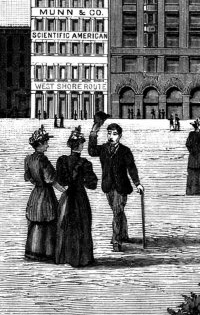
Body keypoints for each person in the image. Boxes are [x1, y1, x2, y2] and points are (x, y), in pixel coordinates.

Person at [88, 111, 143, 252]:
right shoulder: (103, 149)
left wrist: (137, 183)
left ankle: (116, 241)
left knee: (117, 212)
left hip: (121, 186)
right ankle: (123, 234)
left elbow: (131, 168)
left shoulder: (125, 151)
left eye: (114, 134)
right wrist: (94, 132)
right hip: (108, 186)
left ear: (120, 136)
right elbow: (91, 151)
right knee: (117, 211)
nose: (111, 137)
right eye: (109, 133)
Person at [55, 126, 98, 267]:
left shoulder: (61, 160)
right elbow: (92, 184)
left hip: (66, 198)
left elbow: (60, 180)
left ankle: (64, 257)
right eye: (82, 144)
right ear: (80, 145)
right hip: (79, 198)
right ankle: (81, 258)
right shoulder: (85, 163)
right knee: (81, 225)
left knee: (64, 225)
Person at [24, 125, 58, 262]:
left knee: (35, 220)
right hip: (45, 194)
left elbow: (28, 177)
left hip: (36, 193)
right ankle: (46, 253)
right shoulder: (43, 160)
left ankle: (32, 252)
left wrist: (38, 183)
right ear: (40, 144)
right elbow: (51, 180)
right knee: (47, 220)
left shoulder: (28, 159)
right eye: (46, 143)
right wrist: (65, 191)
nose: (48, 146)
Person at [185, 118, 200, 195]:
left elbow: (188, 144)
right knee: (199, 171)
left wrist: (191, 151)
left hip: (192, 155)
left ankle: (191, 190)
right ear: (198, 126)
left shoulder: (191, 134)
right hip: (198, 155)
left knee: (192, 171)